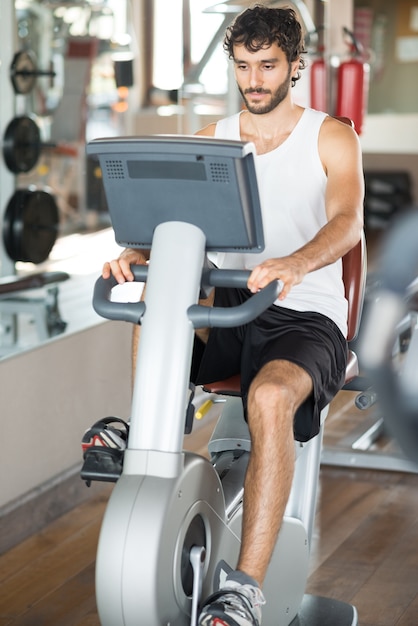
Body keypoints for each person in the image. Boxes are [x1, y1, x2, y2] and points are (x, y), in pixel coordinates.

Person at [102, 4, 364, 625]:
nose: (254, 80)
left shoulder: (330, 135)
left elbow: (348, 221)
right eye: (244, 66)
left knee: (271, 400)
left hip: (305, 316)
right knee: (160, 296)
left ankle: (244, 589)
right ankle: (145, 432)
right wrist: (134, 252)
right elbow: (164, 225)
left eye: (268, 66)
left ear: (295, 66)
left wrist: (297, 263)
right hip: (229, 308)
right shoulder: (210, 143)